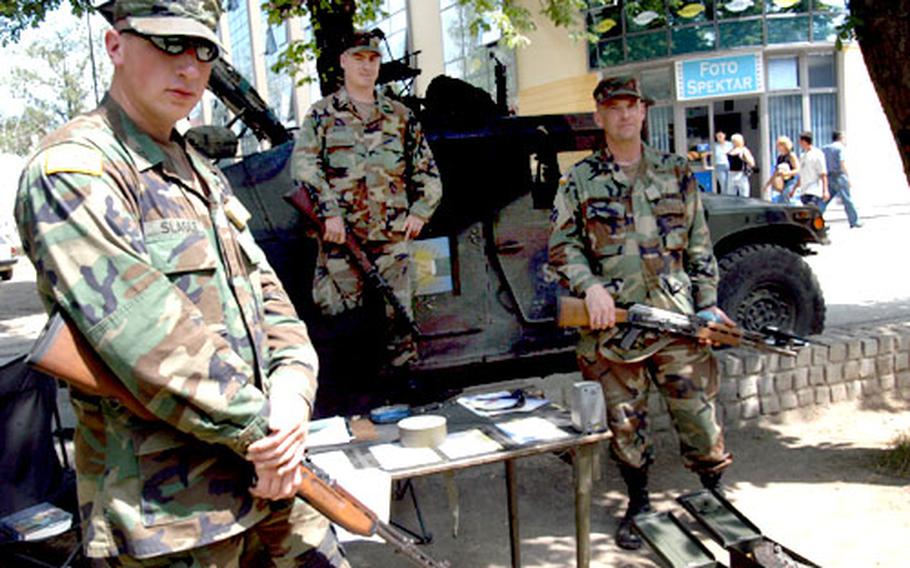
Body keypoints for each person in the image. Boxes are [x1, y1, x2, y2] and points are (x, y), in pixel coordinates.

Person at [15, 1, 347, 565]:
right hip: (171, 514)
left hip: (272, 479)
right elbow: (143, 334)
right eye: (169, 44)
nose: (190, 68)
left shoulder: (198, 169)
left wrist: (293, 395)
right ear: (115, 46)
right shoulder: (74, 171)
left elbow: (270, 298)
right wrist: (265, 436)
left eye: (204, 51)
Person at [548, 76, 733, 552]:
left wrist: (708, 302)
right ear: (599, 116)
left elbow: (698, 242)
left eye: (633, 106)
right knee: (625, 422)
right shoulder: (580, 180)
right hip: (615, 329)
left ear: (644, 112)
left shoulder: (677, 171)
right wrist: (589, 288)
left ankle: (716, 501)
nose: (625, 114)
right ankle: (639, 505)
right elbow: (562, 246)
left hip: (676, 320)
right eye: (615, 107)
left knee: (698, 415)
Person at [291, 30, 442, 368]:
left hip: (392, 239)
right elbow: (304, 169)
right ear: (343, 61)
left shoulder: (400, 116)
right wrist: (329, 214)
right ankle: (355, 398)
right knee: (343, 319)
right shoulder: (321, 116)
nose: (366, 66)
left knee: (399, 315)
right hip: (342, 240)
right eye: (358, 58)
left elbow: (428, 172)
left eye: (373, 59)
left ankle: (404, 388)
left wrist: (420, 211)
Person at [821, 131, 862, 228]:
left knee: (824, 200)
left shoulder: (825, 148)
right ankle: (854, 221)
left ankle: (816, 217)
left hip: (829, 176)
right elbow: (842, 162)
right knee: (847, 199)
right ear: (840, 138)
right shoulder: (840, 148)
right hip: (839, 176)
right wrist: (848, 177)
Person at [793, 131, 829, 208]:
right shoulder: (803, 156)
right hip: (804, 191)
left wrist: (825, 190)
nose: (799, 143)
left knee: (812, 212)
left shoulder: (817, 154)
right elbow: (801, 175)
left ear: (804, 141)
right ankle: (819, 220)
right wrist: (794, 189)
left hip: (813, 190)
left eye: (800, 141)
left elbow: (823, 173)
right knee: (810, 216)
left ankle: (819, 220)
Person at [763, 135, 800, 204]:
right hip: (782, 183)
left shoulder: (791, 156)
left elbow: (797, 169)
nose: (777, 147)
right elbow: (776, 172)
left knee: (786, 200)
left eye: (779, 145)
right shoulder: (780, 158)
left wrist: (787, 173)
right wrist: (768, 184)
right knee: (781, 201)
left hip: (791, 182)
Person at [726, 133, 755, 198]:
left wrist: (745, 159)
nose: (733, 142)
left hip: (741, 174)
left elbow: (752, 163)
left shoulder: (743, 150)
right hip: (731, 173)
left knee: (744, 194)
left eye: (734, 141)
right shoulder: (730, 150)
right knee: (730, 196)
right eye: (732, 141)